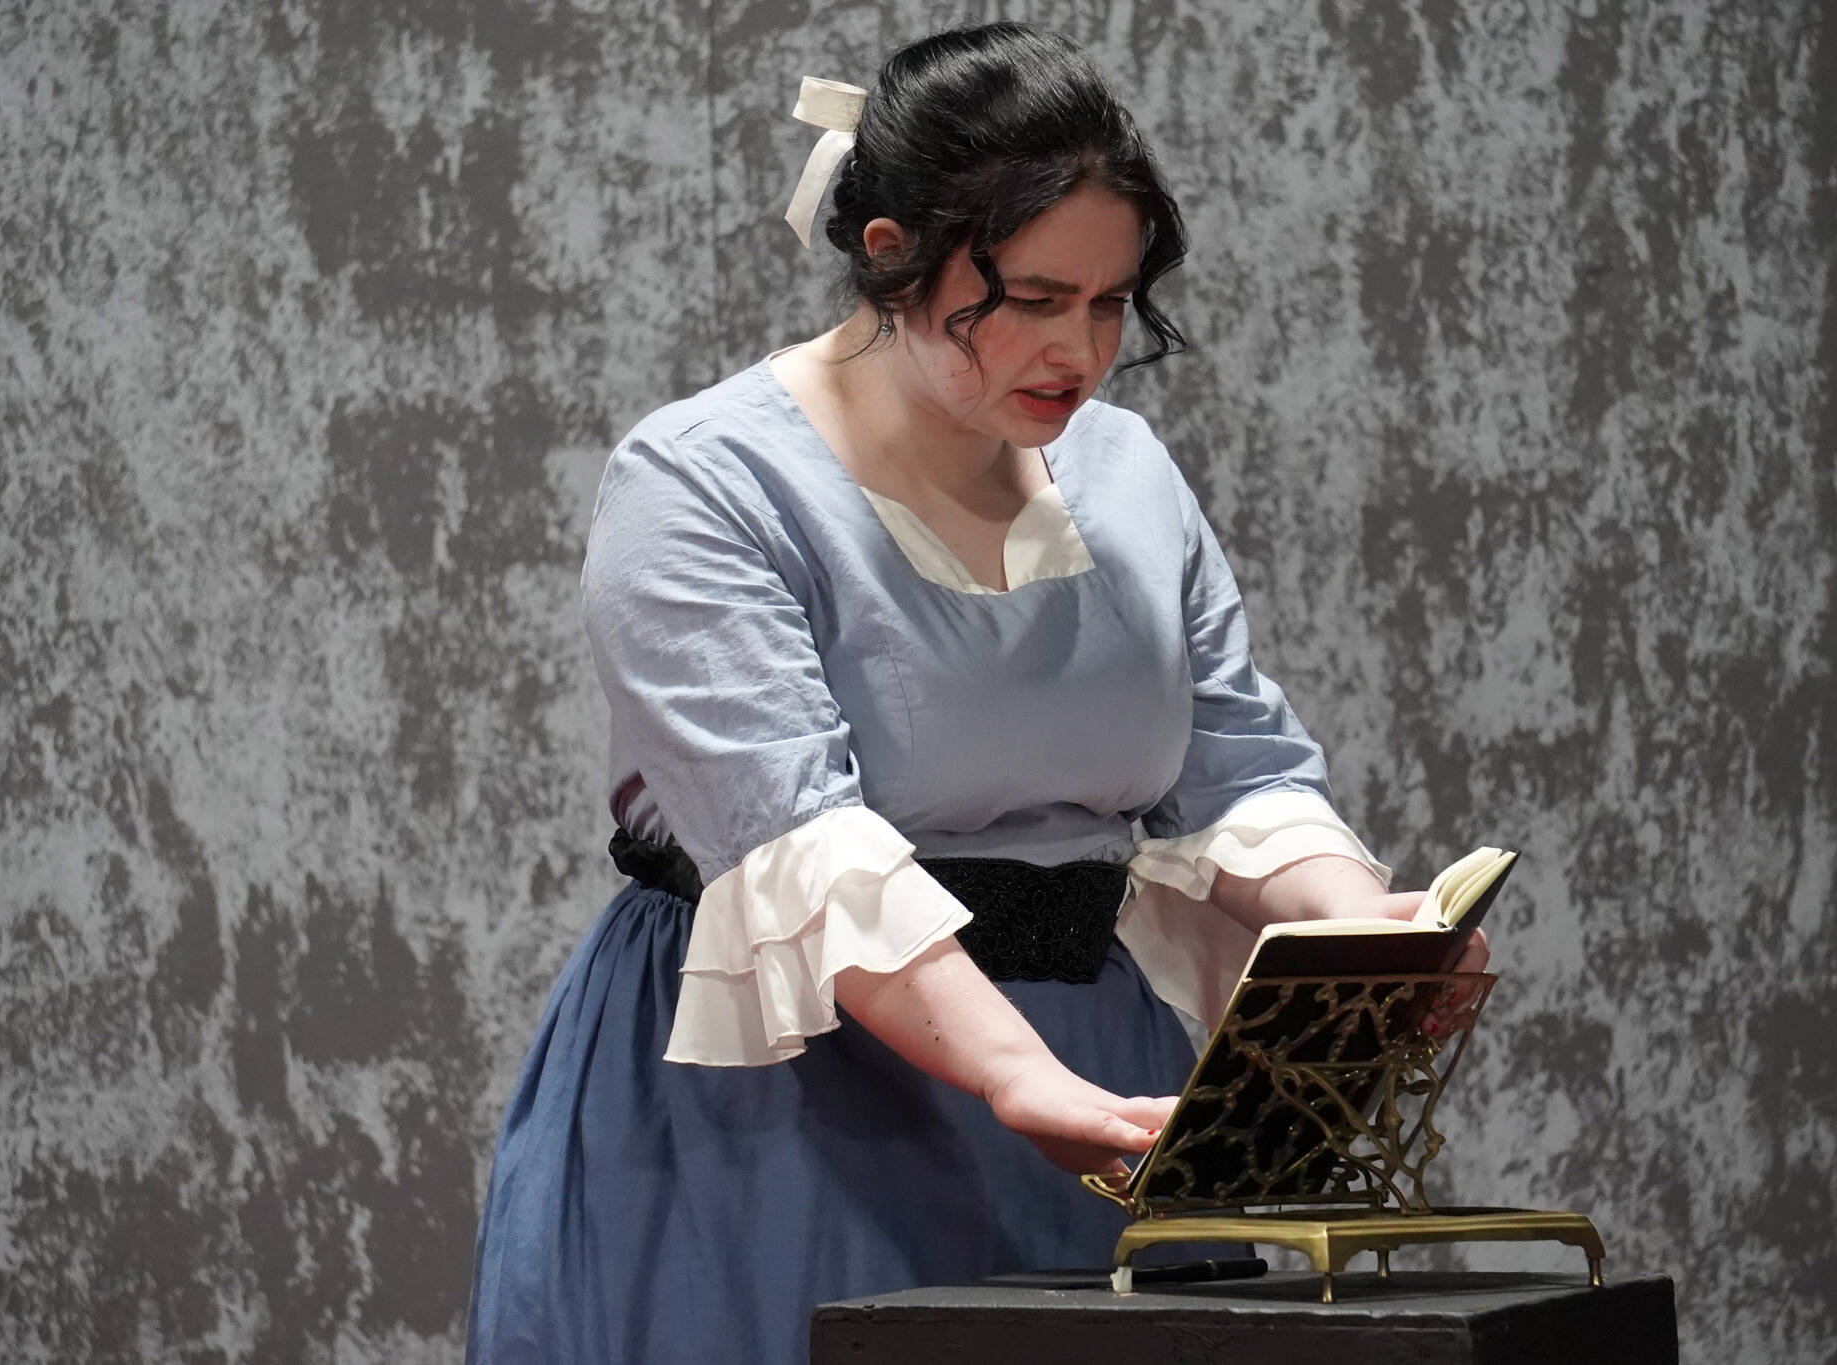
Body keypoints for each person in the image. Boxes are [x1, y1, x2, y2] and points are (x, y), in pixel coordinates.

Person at [464, 21, 1486, 1365]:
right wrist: (1015, 1076)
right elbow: (794, 843)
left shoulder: (1125, 476)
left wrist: (1367, 942)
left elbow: (1239, 776)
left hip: (1094, 1084)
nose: (1082, 347)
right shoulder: (705, 483)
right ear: (892, 252)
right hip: (787, 1101)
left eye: (1112, 302)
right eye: (1037, 297)